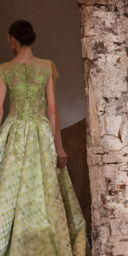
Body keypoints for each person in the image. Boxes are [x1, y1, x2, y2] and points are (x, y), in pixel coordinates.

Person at [0, 20, 90, 255]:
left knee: (10, 186)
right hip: (41, 133)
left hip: (14, 132)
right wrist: (59, 147)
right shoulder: (47, 66)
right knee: (46, 186)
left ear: (12, 39)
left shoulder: (4, 69)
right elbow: (52, 109)